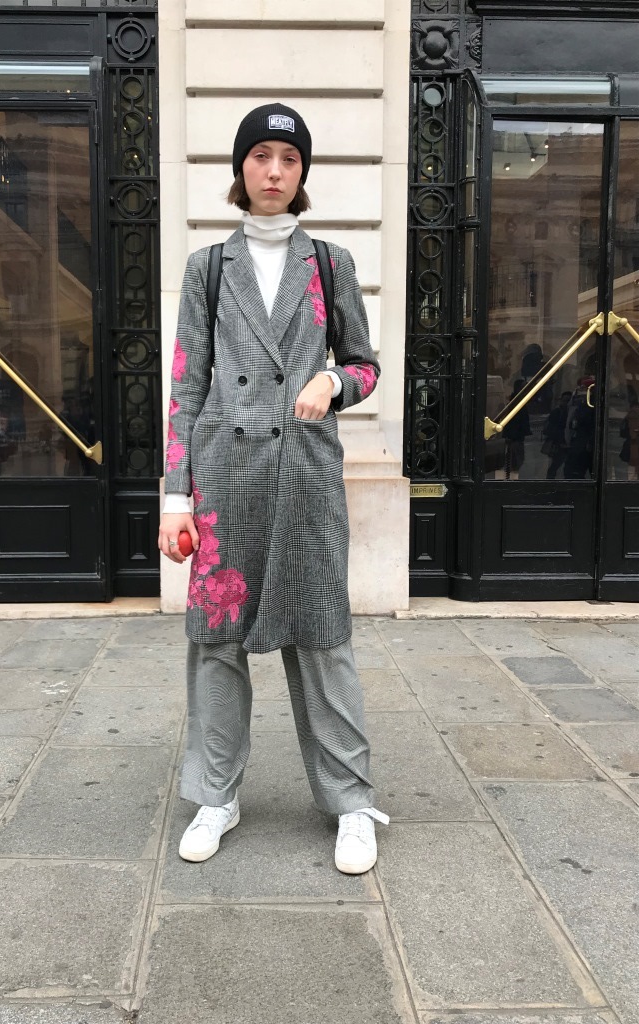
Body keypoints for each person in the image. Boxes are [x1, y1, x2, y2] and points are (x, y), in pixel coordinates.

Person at [157, 104, 388, 875]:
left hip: (306, 475)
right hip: (225, 478)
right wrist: (177, 497)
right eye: (261, 156)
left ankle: (351, 803)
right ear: (241, 168)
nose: (275, 171)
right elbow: (187, 385)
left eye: (289, 159)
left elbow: (365, 365)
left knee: (323, 637)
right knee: (215, 643)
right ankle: (215, 795)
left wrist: (332, 380)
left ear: (302, 173)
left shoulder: (329, 262)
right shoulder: (207, 268)